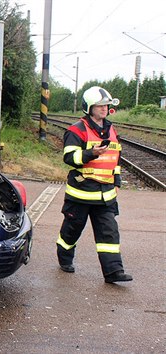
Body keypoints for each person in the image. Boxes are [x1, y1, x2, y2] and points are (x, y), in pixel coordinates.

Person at [56, 86, 132, 283]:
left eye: (106, 105)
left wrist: (116, 181)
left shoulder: (111, 129)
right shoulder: (76, 130)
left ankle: (113, 272)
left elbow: (116, 159)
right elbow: (69, 157)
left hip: (105, 195)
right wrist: (91, 153)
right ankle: (64, 258)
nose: (104, 109)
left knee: (109, 233)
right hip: (80, 193)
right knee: (71, 231)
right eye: (99, 106)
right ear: (89, 108)